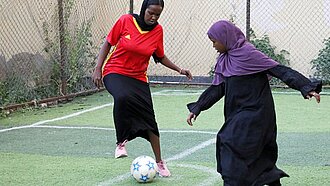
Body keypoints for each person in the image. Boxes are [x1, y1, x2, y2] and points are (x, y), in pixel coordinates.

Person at [186, 20, 322, 185]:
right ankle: (270, 179)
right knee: (258, 156)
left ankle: (232, 181)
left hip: (257, 113)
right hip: (237, 113)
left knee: (228, 140)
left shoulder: (249, 54)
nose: (213, 45)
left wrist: (305, 86)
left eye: (215, 41)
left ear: (226, 38)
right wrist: (198, 107)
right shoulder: (224, 60)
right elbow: (218, 88)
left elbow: (280, 70)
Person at [92, 0, 192, 177]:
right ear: (143, 9)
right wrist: (97, 68)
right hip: (114, 71)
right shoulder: (125, 21)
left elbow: (160, 56)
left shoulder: (158, 31)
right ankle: (121, 142)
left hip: (138, 78)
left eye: (157, 15)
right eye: (150, 13)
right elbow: (108, 43)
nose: (153, 17)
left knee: (150, 121)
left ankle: (160, 162)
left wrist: (179, 69)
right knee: (122, 97)